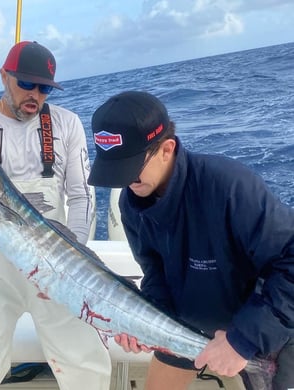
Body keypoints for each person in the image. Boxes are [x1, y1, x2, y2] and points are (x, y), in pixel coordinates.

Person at [0, 41, 111, 390]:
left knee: (85, 362)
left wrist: (70, 263)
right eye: (25, 84)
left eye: (44, 88)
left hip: (56, 264)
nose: (35, 94)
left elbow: (80, 196)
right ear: (4, 75)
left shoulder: (67, 123)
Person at [87, 90, 294, 390]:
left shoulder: (228, 186)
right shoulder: (132, 205)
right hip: (189, 326)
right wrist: (142, 324)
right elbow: (156, 275)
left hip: (263, 324)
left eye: (132, 167)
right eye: (116, 169)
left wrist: (244, 339)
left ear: (166, 148)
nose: (127, 180)